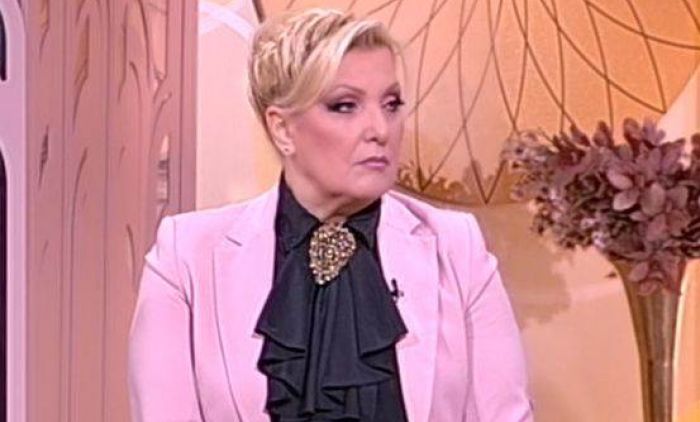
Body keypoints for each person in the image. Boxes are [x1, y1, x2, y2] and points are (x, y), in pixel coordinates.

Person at [128, 8, 533, 422]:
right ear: (282, 129)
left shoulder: (457, 248)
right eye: (345, 106)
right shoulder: (186, 256)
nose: (380, 129)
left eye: (391, 104)